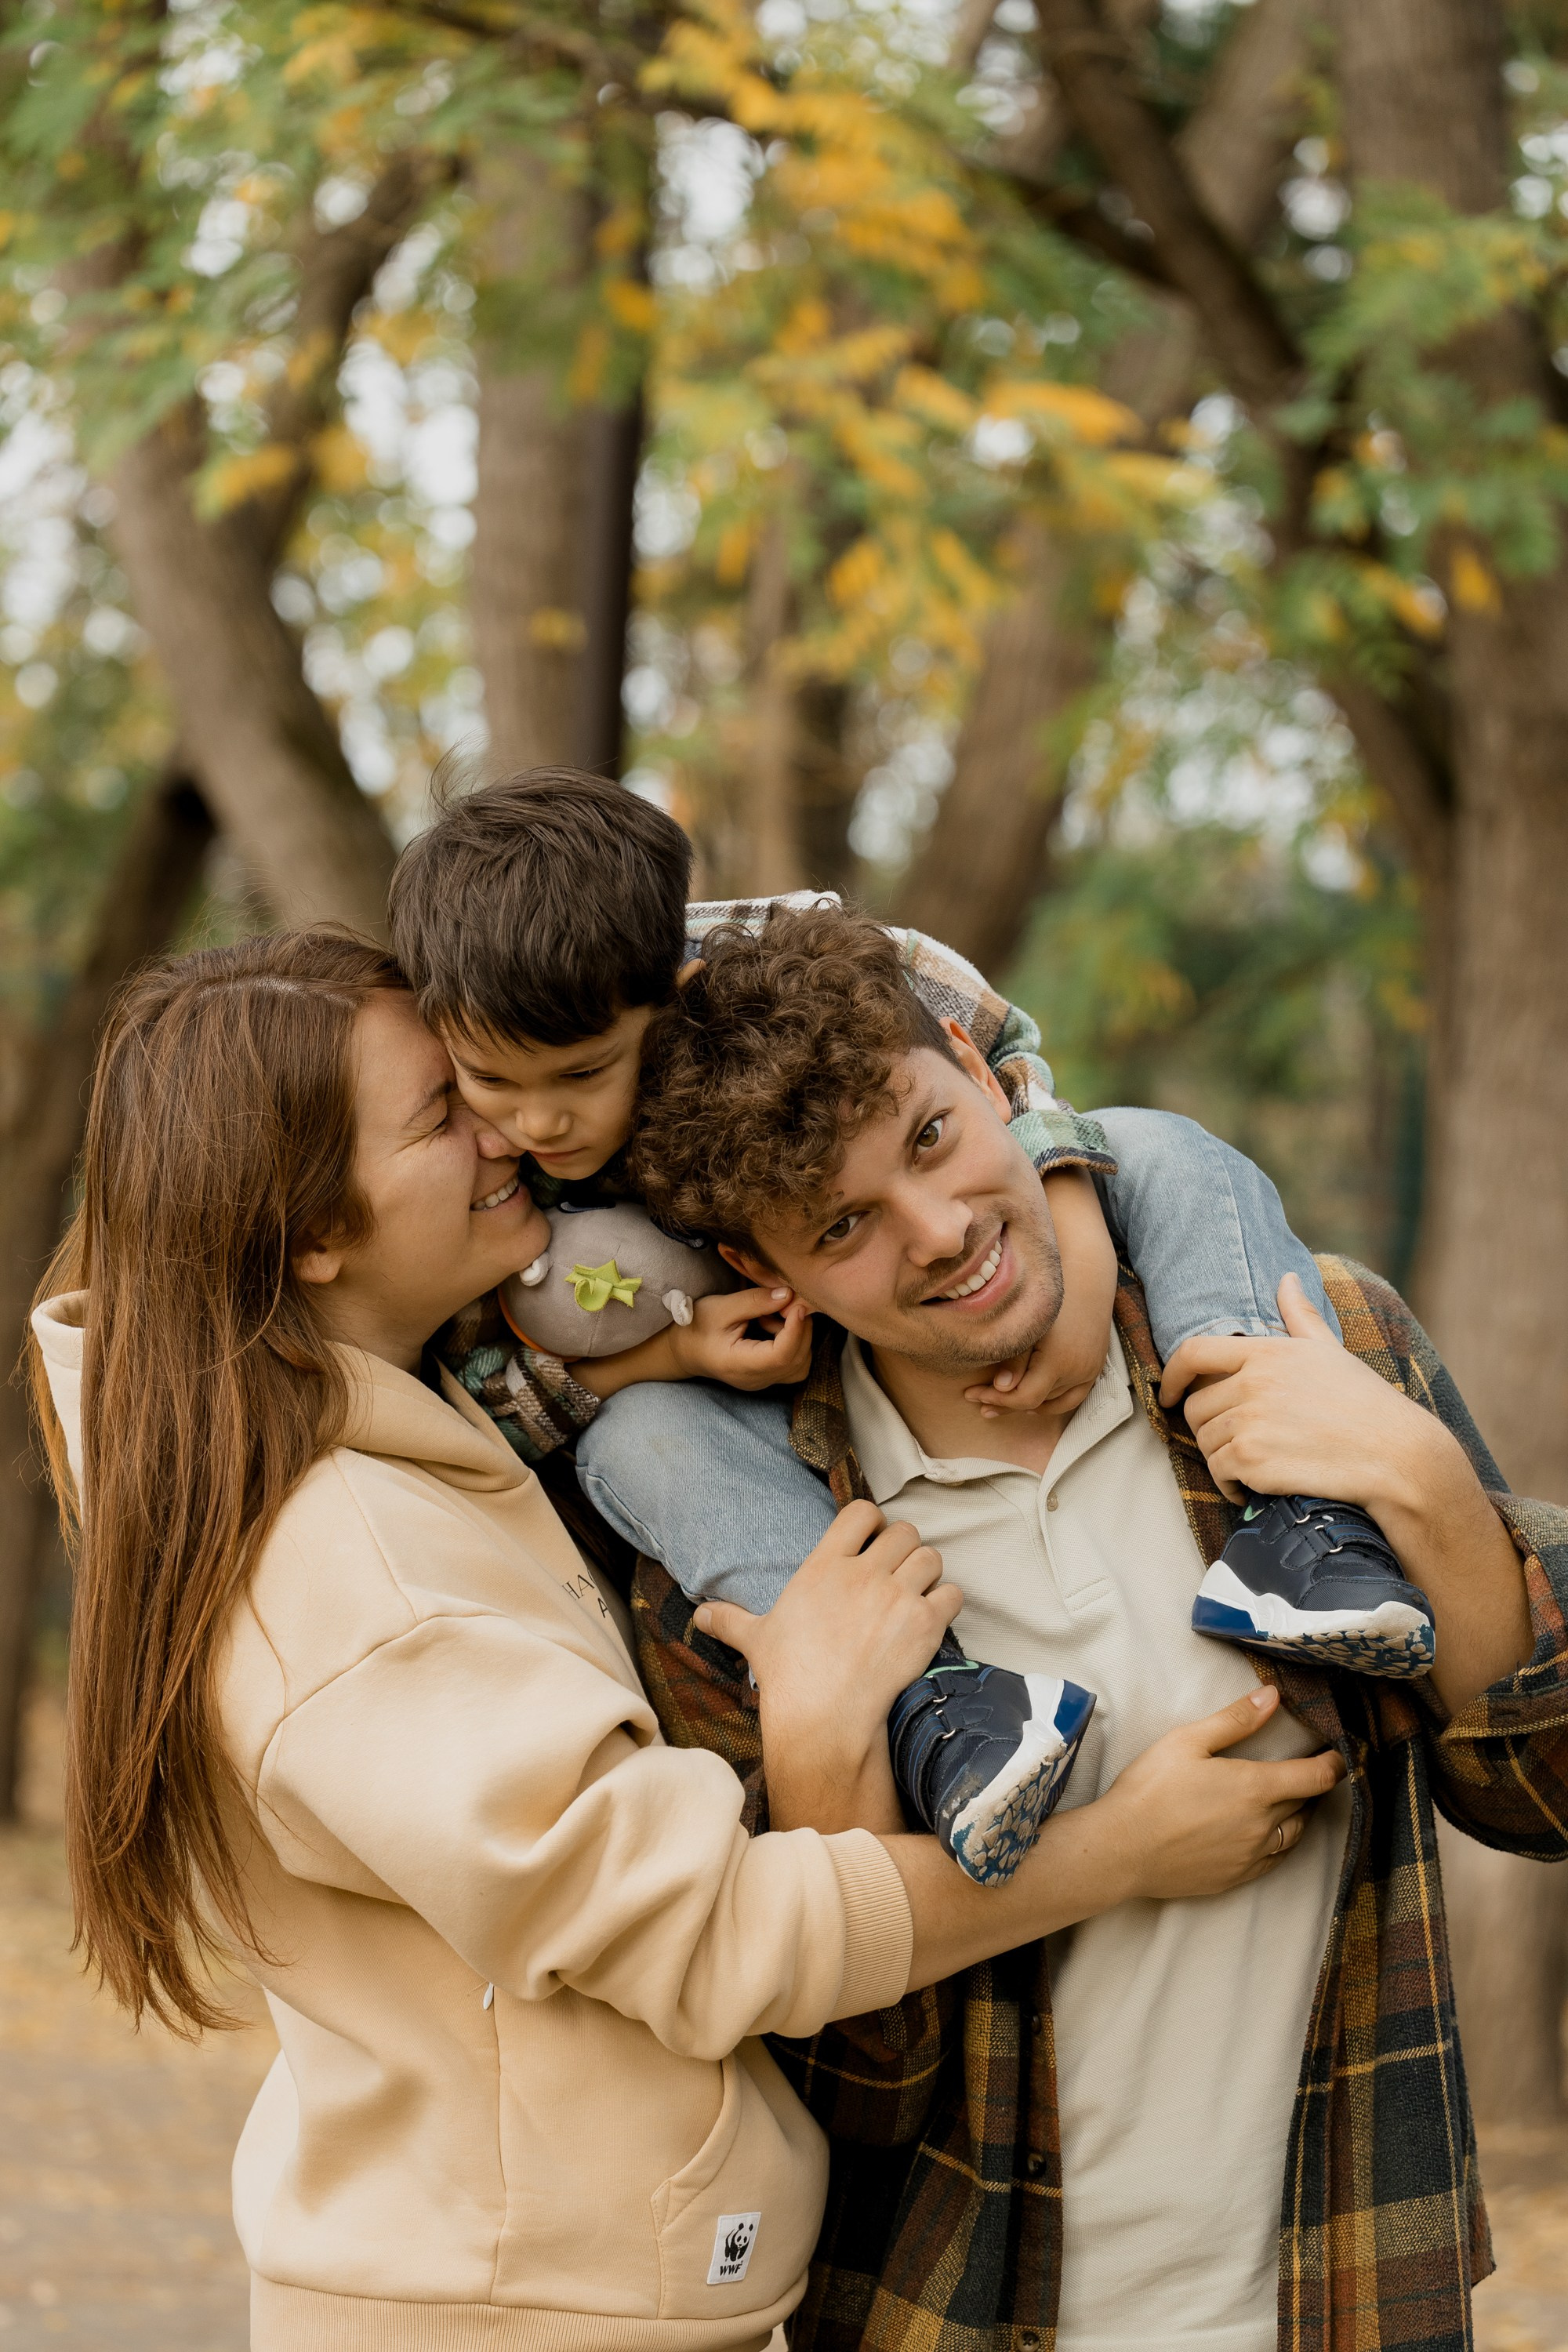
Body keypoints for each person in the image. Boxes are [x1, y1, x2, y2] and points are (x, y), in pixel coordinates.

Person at [27, 928, 1335, 2352]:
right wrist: (1125, 1849)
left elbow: (674, 964)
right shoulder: (354, 1579)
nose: (512, 1128)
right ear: (313, 1232)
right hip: (518, 2321)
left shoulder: (428, 1429)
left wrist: (1065, 1195)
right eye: (443, 1111)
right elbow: (710, 1931)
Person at [624, 898, 1568, 2352]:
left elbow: (1545, 1791)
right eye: (844, 1226)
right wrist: (822, 1772)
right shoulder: (764, 1555)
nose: (939, 1237)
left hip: (1344, 2298)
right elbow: (848, 2096)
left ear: (982, 1066)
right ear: (776, 1276)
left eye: (929, 1139)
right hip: (949, 2317)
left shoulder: (1316, 1337)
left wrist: (1428, 1488)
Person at [392, 768, 1428, 1885]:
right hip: (760, 1401)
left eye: (583, 1077)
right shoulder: (480, 1147)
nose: (536, 1121)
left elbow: (1004, 1053)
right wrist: (668, 1355)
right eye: (494, 1082)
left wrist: (1076, 1269)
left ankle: (1304, 1519)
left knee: (1162, 1143)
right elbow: (483, 1382)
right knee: (636, 1441)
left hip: (913, 1303)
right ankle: (944, 1710)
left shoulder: (765, 962)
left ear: (669, 986)